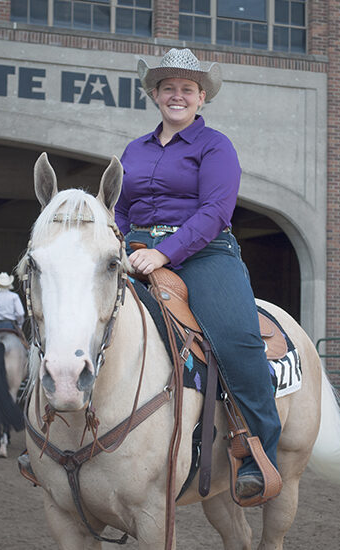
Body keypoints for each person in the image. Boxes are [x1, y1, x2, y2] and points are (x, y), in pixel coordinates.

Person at [115, 48, 281, 500]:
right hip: (139, 250)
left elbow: (214, 212)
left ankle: (258, 452)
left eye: (187, 88)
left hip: (205, 253)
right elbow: (122, 207)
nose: (177, 95)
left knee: (236, 339)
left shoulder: (215, 146)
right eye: (168, 87)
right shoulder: (135, 149)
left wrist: (164, 254)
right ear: (154, 94)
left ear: (201, 97)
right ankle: (56, 432)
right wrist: (126, 243)